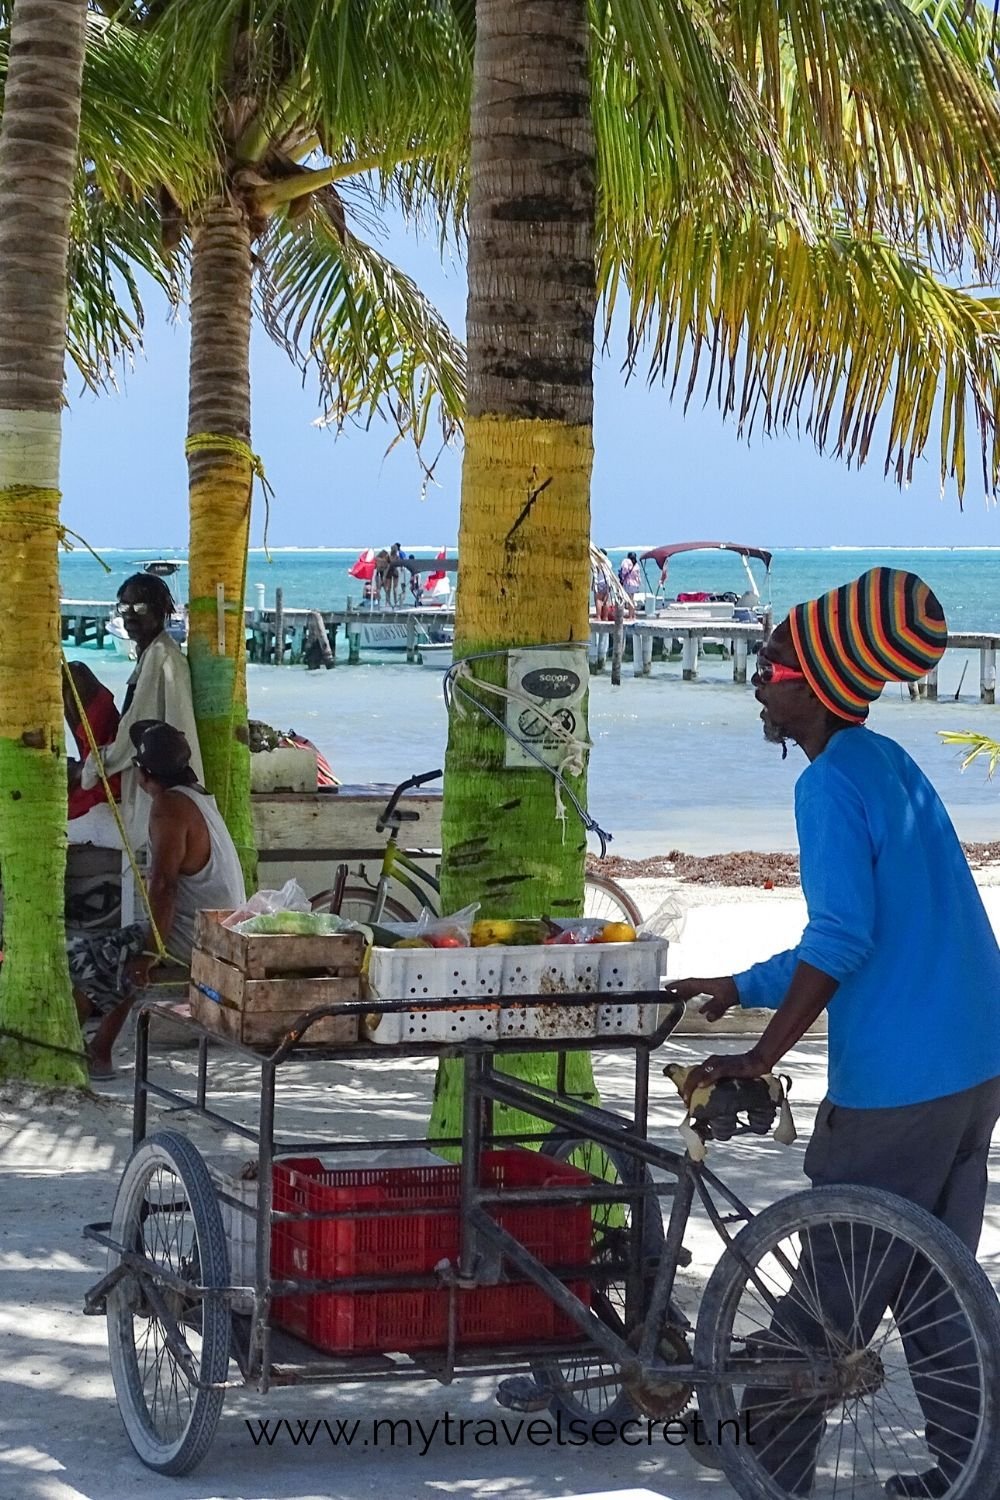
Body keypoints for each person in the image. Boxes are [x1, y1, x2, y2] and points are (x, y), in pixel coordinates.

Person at [664, 568, 1000, 1498]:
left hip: (901, 1076)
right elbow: (856, 933)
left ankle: (763, 1455)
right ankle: (970, 1470)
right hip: (974, 1062)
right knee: (936, 1277)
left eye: (769, 670)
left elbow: (844, 939)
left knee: (833, 1284)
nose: (758, 686)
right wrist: (740, 984)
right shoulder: (883, 763)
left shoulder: (825, 789)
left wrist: (762, 1054)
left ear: (812, 685)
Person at [69, 720, 245, 1079]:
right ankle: (94, 1049)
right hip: (220, 927)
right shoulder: (197, 795)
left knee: (85, 957)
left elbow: (165, 886)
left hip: (201, 936)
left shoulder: (168, 807)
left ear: (142, 772)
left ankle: (92, 1052)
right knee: (114, 952)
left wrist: (150, 953)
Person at [78, 573, 203, 848]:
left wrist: (93, 767)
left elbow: (135, 731)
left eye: (141, 607)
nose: (130, 616)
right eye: (125, 608)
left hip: (149, 780)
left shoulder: (161, 659)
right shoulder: (154, 655)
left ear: (161, 612)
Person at [63, 661, 123, 848]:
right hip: (100, 779)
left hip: (93, 773)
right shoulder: (85, 793)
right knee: (75, 673)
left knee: (71, 675)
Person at [618, 551, 641, 619]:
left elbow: (624, 571)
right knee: (632, 599)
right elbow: (638, 576)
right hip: (635, 584)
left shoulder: (626, 562)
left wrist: (621, 576)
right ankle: (633, 615)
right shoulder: (636, 565)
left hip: (628, 583)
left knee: (629, 600)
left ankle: (630, 616)